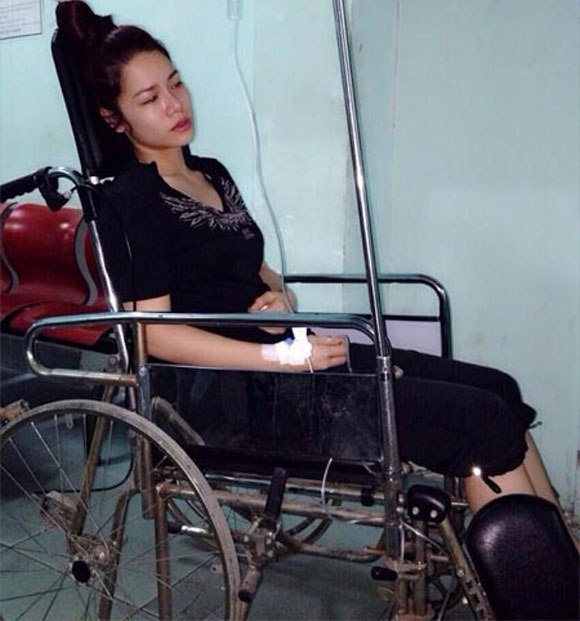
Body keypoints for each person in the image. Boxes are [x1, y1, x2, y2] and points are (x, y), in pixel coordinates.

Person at [56, 0, 566, 517]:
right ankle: (521, 568)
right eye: (149, 98)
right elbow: (153, 334)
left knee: (499, 390)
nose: (174, 104)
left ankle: (556, 553)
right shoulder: (131, 202)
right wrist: (279, 357)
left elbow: (260, 275)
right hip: (238, 398)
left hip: (295, 361)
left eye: (176, 83)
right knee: (478, 420)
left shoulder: (212, 173)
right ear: (114, 119)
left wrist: (280, 297)